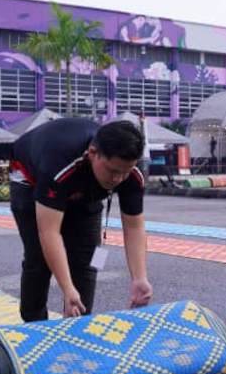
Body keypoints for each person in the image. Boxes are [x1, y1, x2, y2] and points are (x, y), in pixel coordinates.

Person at [9, 118, 152, 322]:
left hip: (83, 186)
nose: (118, 179)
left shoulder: (131, 175)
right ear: (93, 153)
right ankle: (34, 323)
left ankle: (78, 321)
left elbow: (134, 228)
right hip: (31, 179)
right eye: (113, 171)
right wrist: (67, 288)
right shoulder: (58, 165)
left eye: (125, 172)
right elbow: (49, 232)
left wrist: (139, 278)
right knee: (39, 259)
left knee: (87, 259)